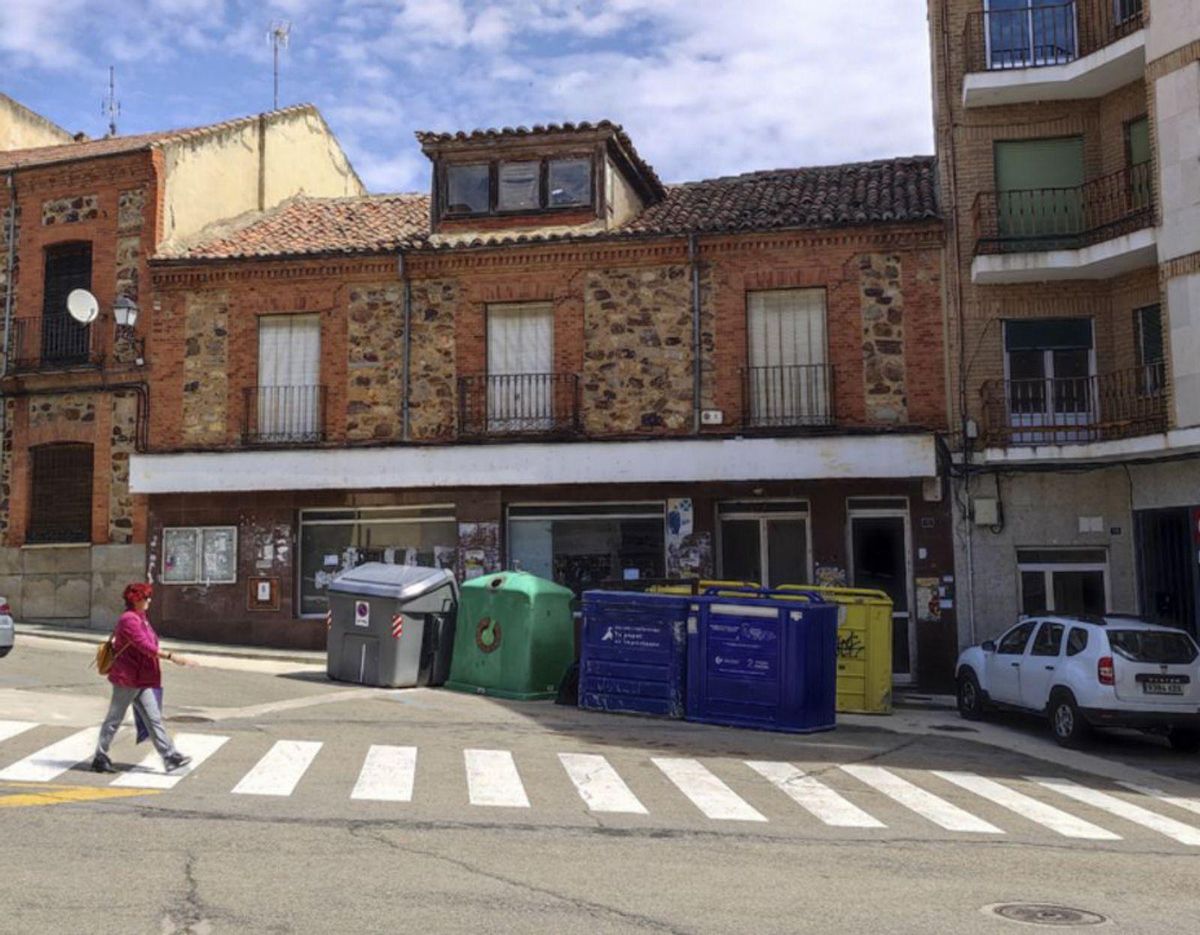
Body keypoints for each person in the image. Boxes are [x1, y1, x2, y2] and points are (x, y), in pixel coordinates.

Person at [91, 582, 195, 774]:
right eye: (146, 597)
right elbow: (144, 646)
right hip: (128, 678)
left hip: (142, 678)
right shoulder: (129, 620)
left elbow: (149, 643)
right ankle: (100, 756)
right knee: (114, 718)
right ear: (136, 600)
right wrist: (173, 657)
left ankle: (170, 756)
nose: (149, 600)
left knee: (154, 718)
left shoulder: (141, 617)